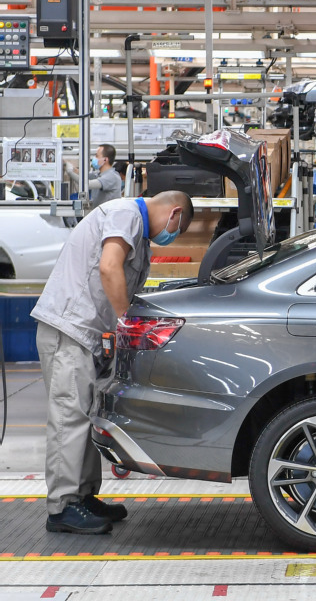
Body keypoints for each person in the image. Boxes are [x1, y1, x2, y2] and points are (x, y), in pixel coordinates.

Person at [32, 190, 194, 534]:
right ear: (174, 212)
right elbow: (109, 267)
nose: (171, 237)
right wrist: (126, 327)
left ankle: (84, 497)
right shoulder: (127, 214)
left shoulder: (135, 230)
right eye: (176, 229)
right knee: (69, 416)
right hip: (69, 331)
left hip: (85, 334)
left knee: (86, 417)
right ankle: (62, 507)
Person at [66, 144, 122, 208]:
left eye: (97, 156)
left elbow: (88, 184)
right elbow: (84, 175)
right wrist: (69, 166)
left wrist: (70, 172)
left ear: (105, 160)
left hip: (108, 216)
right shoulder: (99, 174)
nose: (94, 158)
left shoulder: (111, 176)